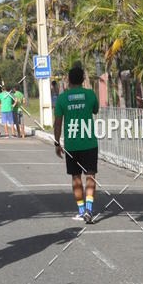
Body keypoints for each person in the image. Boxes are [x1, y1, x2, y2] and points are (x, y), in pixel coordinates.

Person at [53, 64, 99, 224]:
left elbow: (57, 123)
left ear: (68, 79)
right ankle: (89, 208)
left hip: (72, 144)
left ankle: (80, 210)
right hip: (89, 143)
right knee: (90, 176)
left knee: (75, 177)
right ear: (83, 79)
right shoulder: (90, 94)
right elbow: (95, 110)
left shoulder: (62, 98)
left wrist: (57, 142)